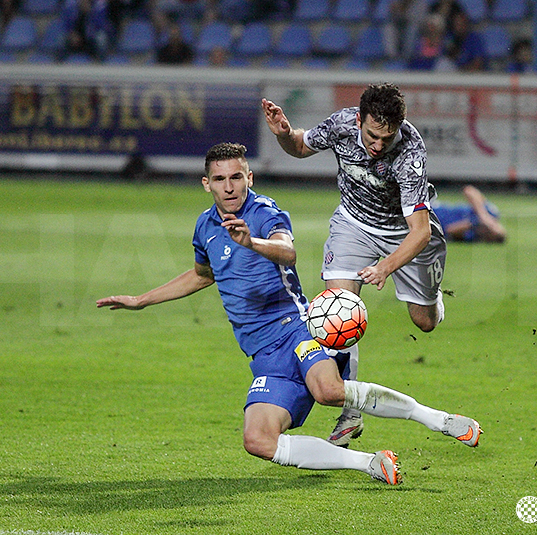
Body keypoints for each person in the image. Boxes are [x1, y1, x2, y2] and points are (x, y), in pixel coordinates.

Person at [96, 142, 482, 485]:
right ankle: (369, 463)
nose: (229, 187)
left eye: (236, 177)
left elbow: (287, 251)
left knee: (329, 391)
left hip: (296, 329)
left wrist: (253, 242)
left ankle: (440, 420)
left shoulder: (264, 212)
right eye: (219, 179)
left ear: (250, 176)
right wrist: (142, 300)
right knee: (258, 441)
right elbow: (202, 275)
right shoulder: (205, 227)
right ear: (206, 183)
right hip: (263, 355)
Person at [262, 83, 447, 447]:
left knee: (424, 322)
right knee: (335, 310)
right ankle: (350, 413)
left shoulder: (410, 154)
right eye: (372, 135)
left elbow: (420, 232)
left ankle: (434, 294)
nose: (378, 145)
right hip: (354, 224)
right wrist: (285, 134)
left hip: (402, 233)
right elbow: (300, 146)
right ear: (359, 119)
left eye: (386, 137)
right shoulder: (341, 125)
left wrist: (386, 267)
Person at [431, 185, 506, 243]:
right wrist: (483, 216)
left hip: (433, 223)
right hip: (437, 208)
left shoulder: (473, 235)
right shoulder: (490, 212)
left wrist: (473, 224)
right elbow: (469, 190)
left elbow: (450, 230)